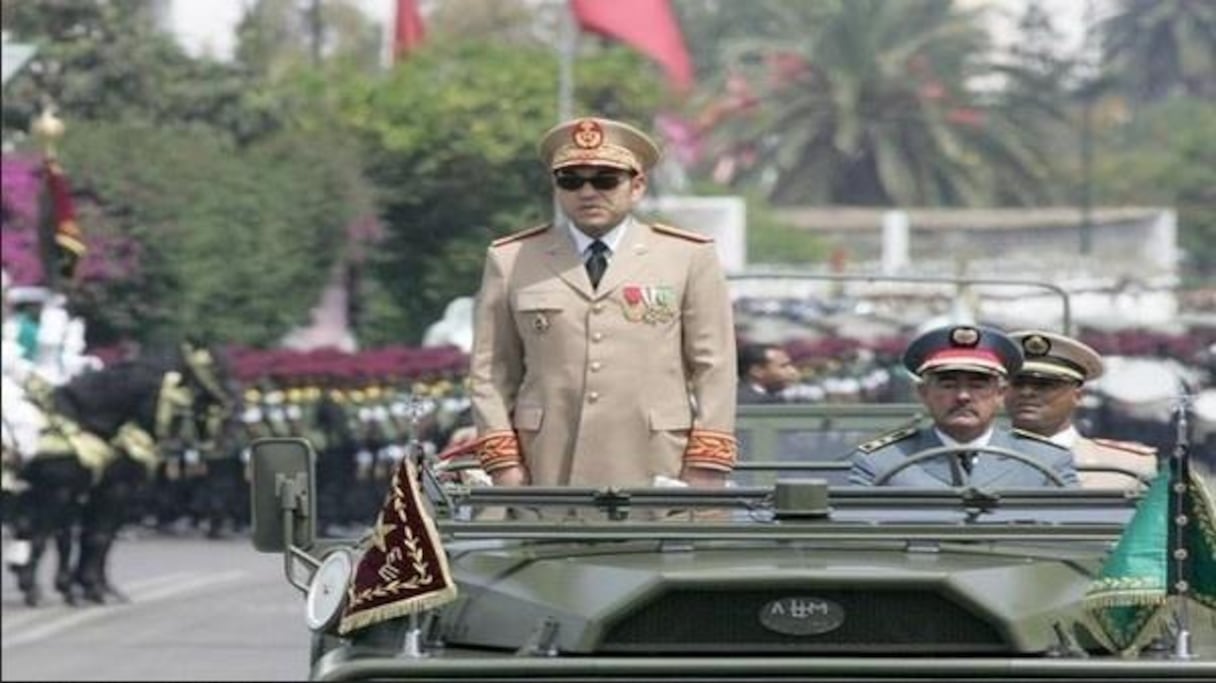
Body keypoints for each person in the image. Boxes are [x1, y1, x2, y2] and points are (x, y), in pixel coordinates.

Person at [468, 116, 738, 490]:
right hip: (545, 467)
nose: (588, 192)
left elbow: (715, 367)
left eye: (606, 180)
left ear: (637, 185)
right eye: (572, 180)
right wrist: (503, 463)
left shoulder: (688, 256)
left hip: (658, 463)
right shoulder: (512, 259)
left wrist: (707, 463)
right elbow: (491, 371)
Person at [849, 324, 1078, 488]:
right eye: (948, 385)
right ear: (923, 393)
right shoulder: (882, 461)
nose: (963, 396)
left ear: (1000, 394)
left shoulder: (1045, 461)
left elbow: (1072, 540)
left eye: (978, 386)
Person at [1005, 330, 1157, 488]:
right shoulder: (981, 457)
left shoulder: (1127, 466)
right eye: (1017, 383)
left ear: (1078, 396)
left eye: (1044, 385)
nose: (1027, 392)